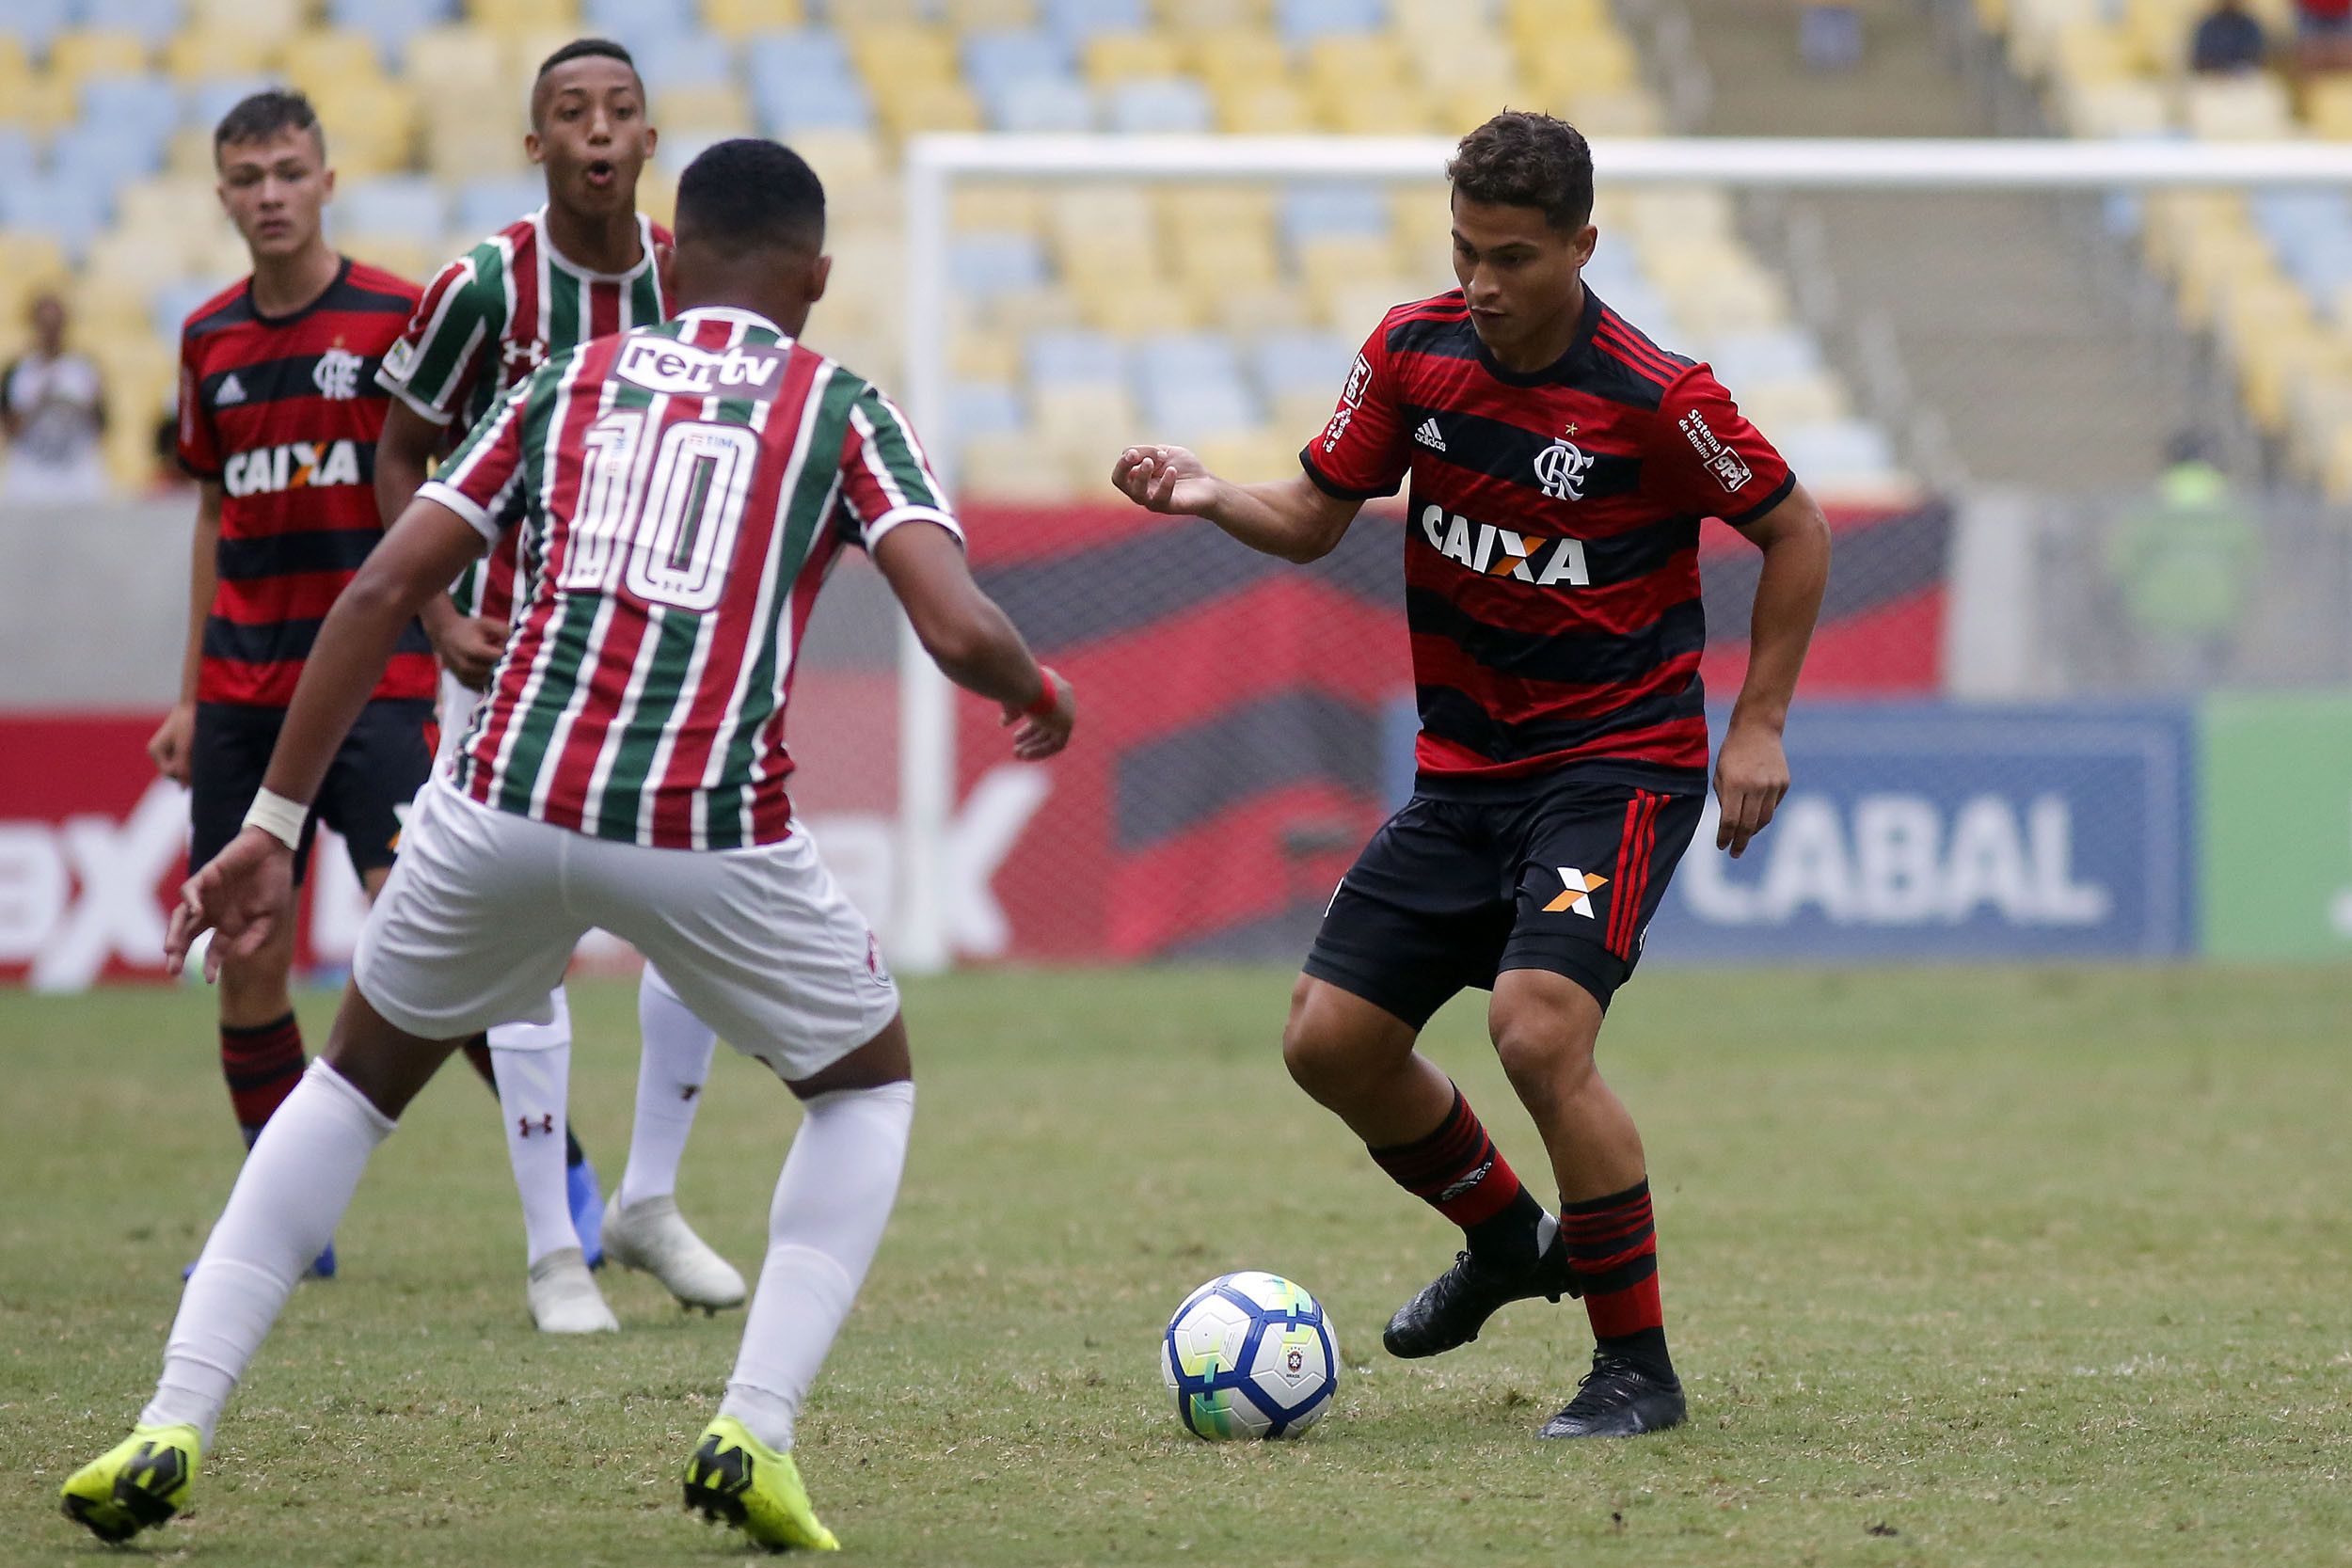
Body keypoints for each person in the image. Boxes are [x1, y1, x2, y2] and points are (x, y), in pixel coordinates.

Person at [61, 135, 1075, 1552]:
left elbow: (380, 587)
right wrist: (1040, 688)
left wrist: (272, 824)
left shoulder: (567, 381)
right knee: (865, 1091)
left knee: (350, 1085)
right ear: (820, 277)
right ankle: (753, 1425)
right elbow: (959, 628)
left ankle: (170, 1416)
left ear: (669, 257)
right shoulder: (842, 404)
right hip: (702, 822)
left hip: (502, 801)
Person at [1113, 111, 1832, 1440]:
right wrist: (1216, 493)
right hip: (1464, 773)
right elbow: (1318, 513)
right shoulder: (1412, 350)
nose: (1483, 282)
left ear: (1581, 244)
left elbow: (1795, 528)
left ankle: (1637, 1370)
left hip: (1616, 767)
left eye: (1511, 254)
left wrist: (1760, 722)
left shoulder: (1657, 398)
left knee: (1537, 1029)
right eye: (1465, 249)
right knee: (1329, 1043)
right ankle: (1509, 1240)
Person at [374, 38, 737, 1334]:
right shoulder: (483, 288)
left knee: (697, 908)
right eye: (570, 114)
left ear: (650, 140)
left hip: (653, 662)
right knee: (524, 946)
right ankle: (552, 1252)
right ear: (537, 146)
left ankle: (648, 1196)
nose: (597, 130)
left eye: (620, 111)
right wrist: (437, 612)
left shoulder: (691, 285)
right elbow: (403, 442)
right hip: (509, 661)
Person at [144, 88, 433, 1282]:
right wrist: (191, 692)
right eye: (248, 176)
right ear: (222, 195)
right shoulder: (207, 339)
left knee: (424, 930)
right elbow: (215, 510)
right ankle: (290, 1220)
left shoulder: (393, 317)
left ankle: (557, 1175)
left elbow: (445, 483)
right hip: (244, 689)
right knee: (250, 948)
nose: (269, 193)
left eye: (288, 171)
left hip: (376, 677)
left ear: (326, 182)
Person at [2106, 432, 2255, 687]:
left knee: (2164, 694)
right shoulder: (2231, 506)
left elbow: (2121, 561)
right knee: (2211, 691)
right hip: (2217, 611)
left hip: (2159, 614)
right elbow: (2251, 563)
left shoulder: (2152, 504)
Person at [1, 292, 109, 502]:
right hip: (29, 478)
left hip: (77, 477)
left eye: (55, 325)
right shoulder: (17, 372)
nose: (50, 332)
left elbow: (103, 426)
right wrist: (38, 400)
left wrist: (82, 403)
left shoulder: (85, 369)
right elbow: (8, 429)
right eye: (45, 324)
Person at [2189, 0, 2268, 74]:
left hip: (2243, 80)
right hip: (2213, 79)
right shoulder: (2208, 26)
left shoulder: (2250, 26)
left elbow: (2259, 58)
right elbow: (2199, 60)